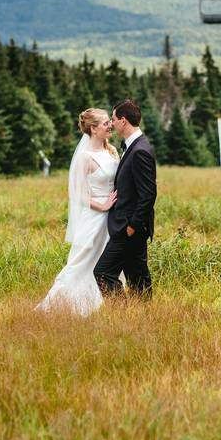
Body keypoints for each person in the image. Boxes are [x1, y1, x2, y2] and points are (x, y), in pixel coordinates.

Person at [36, 108, 120, 316]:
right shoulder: (85, 157)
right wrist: (102, 206)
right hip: (95, 218)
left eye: (110, 121)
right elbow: (76, 192)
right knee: (82, 262)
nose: (110, 125)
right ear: (93, 129)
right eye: (105, 123)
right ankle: (54, 306)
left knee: (107, 262)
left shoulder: (112, 151)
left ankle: (97, 306)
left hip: (113, 219)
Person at [93, 99, 157, 299]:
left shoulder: (140, 151)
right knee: (137, 276)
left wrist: (132, 226)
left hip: (129, 227)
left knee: (103, 272)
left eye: (113, 119)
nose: (111, 124)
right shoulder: (134, 146)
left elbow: (148, 194)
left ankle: (120, 313)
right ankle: (143, 317)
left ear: (123, 120)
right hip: (130, 226)